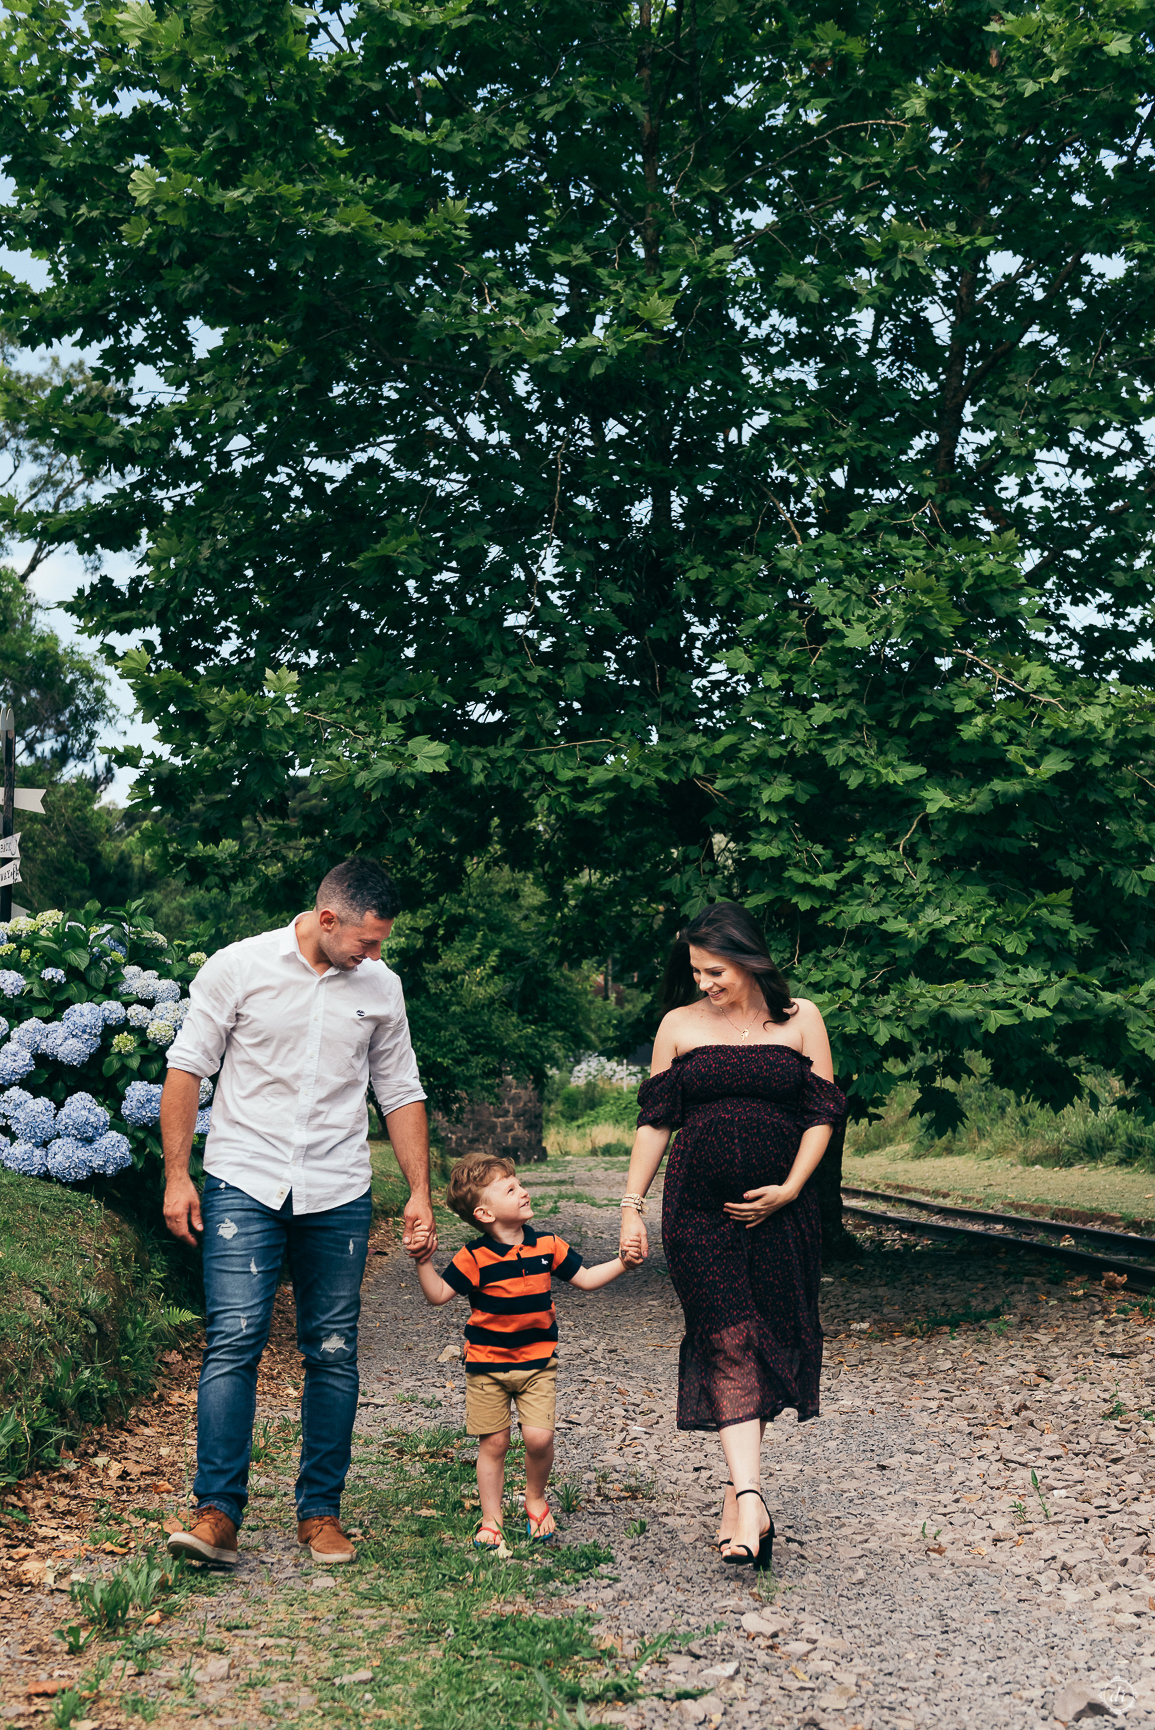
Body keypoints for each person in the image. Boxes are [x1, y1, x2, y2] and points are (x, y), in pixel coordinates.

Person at [160, 857, 436, 1569]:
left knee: (333, 1350)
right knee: (235, 1340)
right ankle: (217, 1512)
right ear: (326, 918)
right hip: (242, 1181)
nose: (373, 955)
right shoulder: (238, 967)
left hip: (337, 1189)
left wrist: (418, 1192)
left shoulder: (381, 987)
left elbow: (399, 1090)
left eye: (380, 944)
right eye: (365, 941)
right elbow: (188, 1067)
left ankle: (320, 1515)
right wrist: (176, 1175)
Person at [617, 903, 845, 1572]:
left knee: (766, 1334)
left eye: (713, 970)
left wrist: (792, 1187)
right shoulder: (677, 1026)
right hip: (696, 1211)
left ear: (749, 960)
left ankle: (739, 1498)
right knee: (724, 1335)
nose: (703, 984)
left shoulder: (802, 1019)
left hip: (782, 1213)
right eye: (695, 972)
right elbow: (655, 1122)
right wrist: (631, 1205)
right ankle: (748, 1493)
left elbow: (821, 1112)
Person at [416, 1153, 633, 1550]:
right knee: (493, 1444)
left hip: (538, 1364)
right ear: (484, 1213)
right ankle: (491, 1519)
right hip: (485, 1367)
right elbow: (438, 1295)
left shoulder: (547, 1245)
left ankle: (535, 1498)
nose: (524, 1191)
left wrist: (623, 1262)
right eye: (511, 1189)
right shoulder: (473, 1257)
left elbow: (584, 1279)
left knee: (537, 1439)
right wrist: (423, 1262)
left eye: (520, 1183)